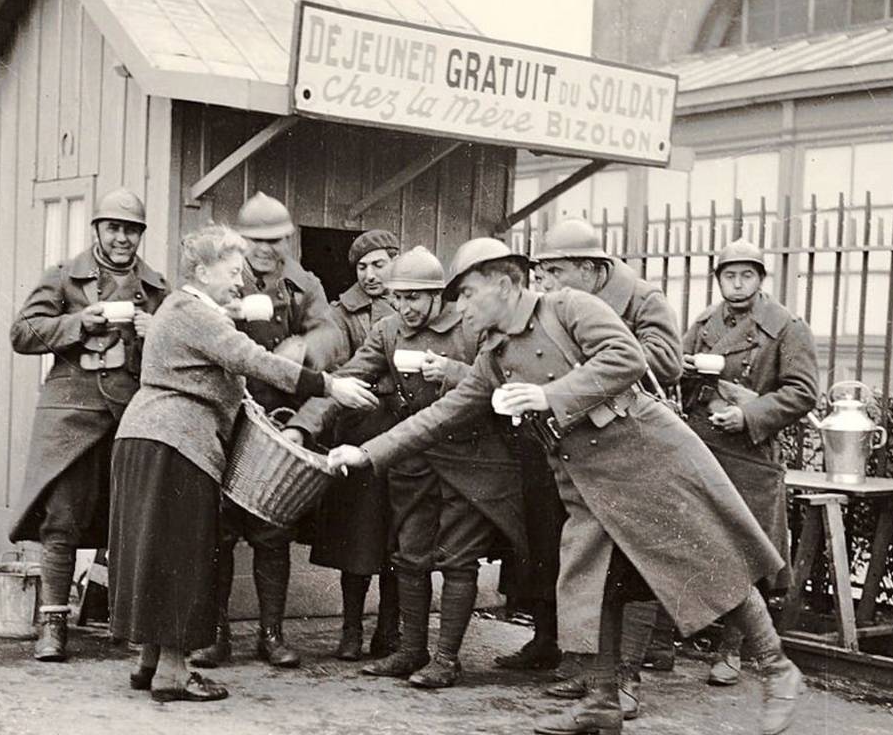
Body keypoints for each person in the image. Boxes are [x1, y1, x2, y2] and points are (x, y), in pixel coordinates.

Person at [328, 238, 804, 735]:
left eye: (468, 293)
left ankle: (777, 671)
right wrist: (366, 453)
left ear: (507, 284)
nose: (460, 306)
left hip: (648, 457)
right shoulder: (494, 355)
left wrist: (548, 394)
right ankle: (601, 700)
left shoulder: (570, 308)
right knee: (588, 583)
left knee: (710, 560)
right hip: (584, 482)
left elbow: (628, 359)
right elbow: (439, 415)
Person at [108, 224, 376, 702]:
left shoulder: (184, 308)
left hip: (147, 437)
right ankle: (174, 673)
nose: (241, 281)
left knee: (153, 551)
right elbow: (251, 358)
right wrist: (330, 385)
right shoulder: (194, 312)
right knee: (182, 555)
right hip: (178, 442)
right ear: (202, 271)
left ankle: (150, 662)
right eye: (232, 272)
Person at [286, 247, 526, 688]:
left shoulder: (471, 325)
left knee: (458, 560)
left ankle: (446, 659)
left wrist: (453, 372)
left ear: (439, 297)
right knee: (409, 556)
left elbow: (504, 384)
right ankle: (411, 650)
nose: (405, 307)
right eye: (399, 297)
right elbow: (347, 379)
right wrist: (302, 426)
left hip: (471, 460)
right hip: (413, 460)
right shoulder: (389, 330)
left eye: (416, 298)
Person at [532, 219, 684, 716]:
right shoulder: (559, 305)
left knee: (634, 566)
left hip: (632, 447)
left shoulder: (643, 299)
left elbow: (664, 362)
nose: (548, 283)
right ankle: (589, 672)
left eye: (557, 271)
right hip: (582, 446)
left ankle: (626, 678)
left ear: (594, 269)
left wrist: (587, 365)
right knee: (589, 564)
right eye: (543, 272)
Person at [8, 188, 167, 662]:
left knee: (132, 519)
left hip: (132, 415)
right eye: (114, 228)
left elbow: (181, 346)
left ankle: (129, 623)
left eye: (131, 230)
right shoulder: (63, 277)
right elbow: (22, 333)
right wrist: (80, 322)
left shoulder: (157, 287)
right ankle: (52, 624)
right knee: (62, 518)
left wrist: (154, 331)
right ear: (96, 229)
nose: (122, 238)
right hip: (70, 413)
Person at [190, 191, 341, 670]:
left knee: (272, 532)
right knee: (217, 532)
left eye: (274, 240)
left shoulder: (305, 284)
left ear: (288, 238)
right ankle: (215, 635)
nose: (264, 249)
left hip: (275, 426)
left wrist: (305, 342)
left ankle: (271, 635)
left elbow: (331, 335)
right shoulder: (225, 274)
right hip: (226, 417)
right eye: (255, 239)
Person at [682, 238, 819, 687]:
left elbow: (802, 392)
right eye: (729, 275)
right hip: (702, 446)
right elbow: (676, 376)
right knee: (690, 541)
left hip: (751, 455)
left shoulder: (786, 327)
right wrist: (686, 371)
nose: (737, 284)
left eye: (746, 275)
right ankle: (666, 642)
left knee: (745, 550)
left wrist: (748, 414)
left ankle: (732, 650)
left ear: (761, 280)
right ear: (718, 279)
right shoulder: (704, 322)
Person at [306, 229, 403, 661]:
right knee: (358, 539)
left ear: (396, 263)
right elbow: (340, 369)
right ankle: (350, 629)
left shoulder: (412, 304)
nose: (369, 275)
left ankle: (390, 629)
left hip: (404, 434)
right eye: (361, 267)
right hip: (359, 429)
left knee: (400, 538)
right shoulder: (339, 313)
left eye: (378, 264)